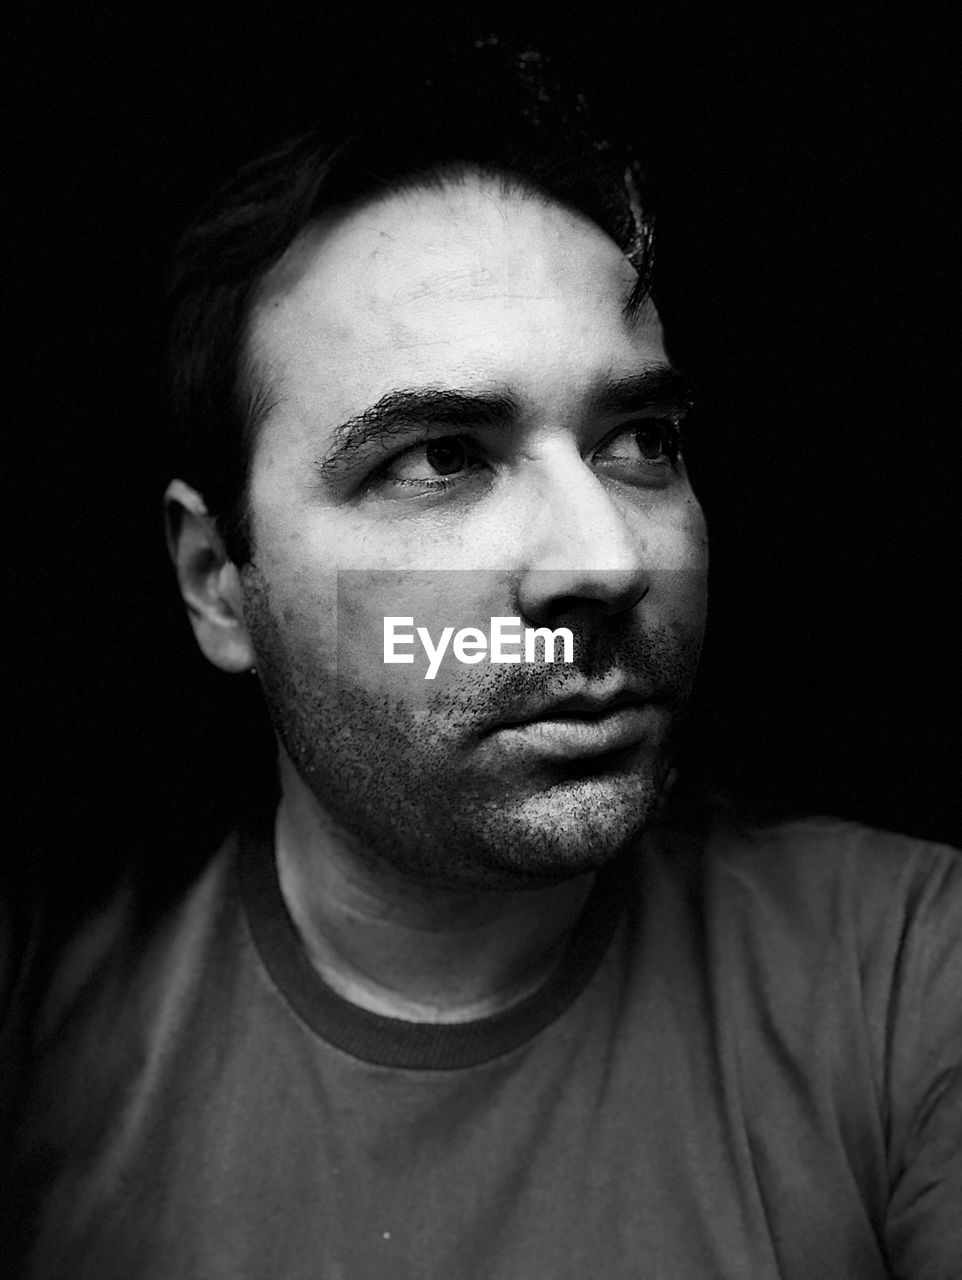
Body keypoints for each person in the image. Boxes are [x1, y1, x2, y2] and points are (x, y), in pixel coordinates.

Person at [2, 40, 960, 1280]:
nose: (605, 562)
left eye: (639, 438)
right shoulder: (45, 1026)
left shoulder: (905, 971)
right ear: (217, 581)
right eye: (441, 457)